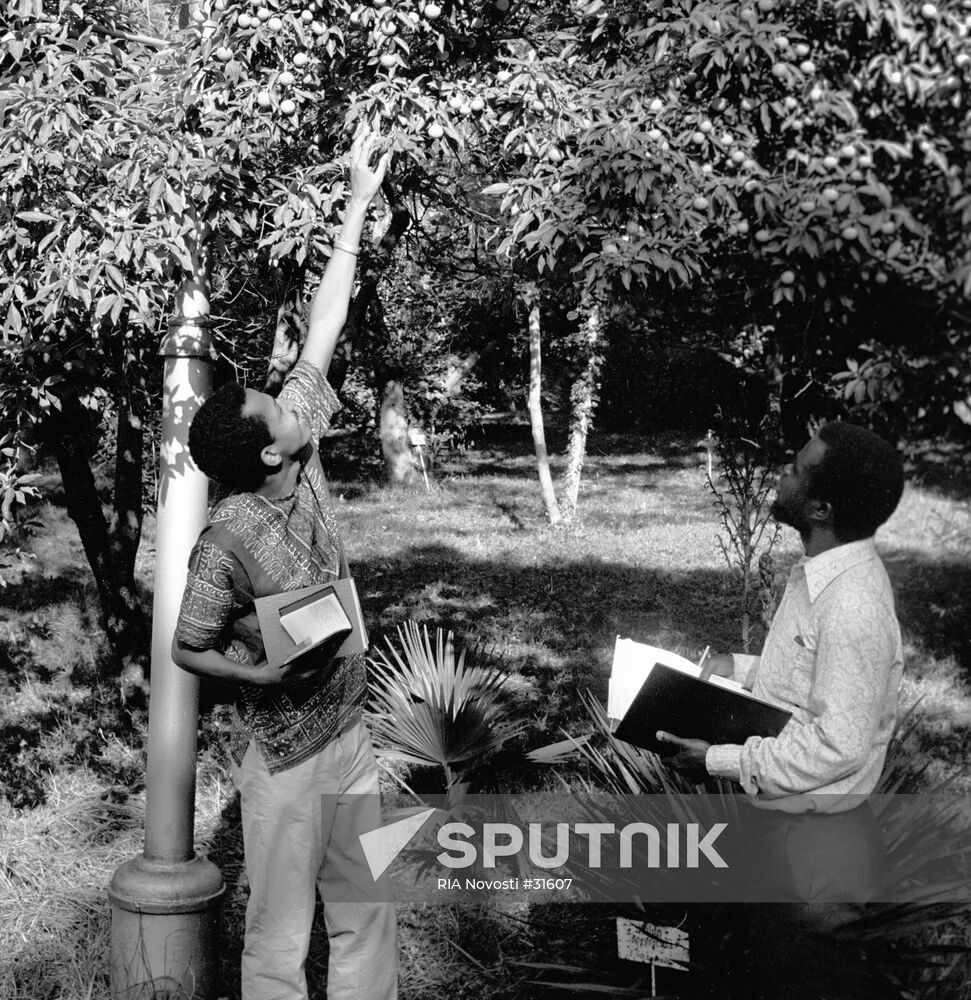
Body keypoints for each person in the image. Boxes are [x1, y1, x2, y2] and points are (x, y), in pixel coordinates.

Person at [171, 130, 396, 1000]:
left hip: (351, 736)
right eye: (278, 406)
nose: (292, 396)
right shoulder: (223, 541)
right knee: (277, 940)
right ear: (269, 451)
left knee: (367, 913)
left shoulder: (301, 452)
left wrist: (356, 203)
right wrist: (258, 673)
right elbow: (188, 646)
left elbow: (323, 326)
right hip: (288, 759)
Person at [657, 421, 906, 999]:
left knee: (805, 980)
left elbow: (836, 745)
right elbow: (812, 678)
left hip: (816, 854)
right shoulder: (824, 571)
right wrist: (739, 669)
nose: (781, 474)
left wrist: (716, 759)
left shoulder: (852, 604)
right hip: (792, 829)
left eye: (794, 469)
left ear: (820, 508)